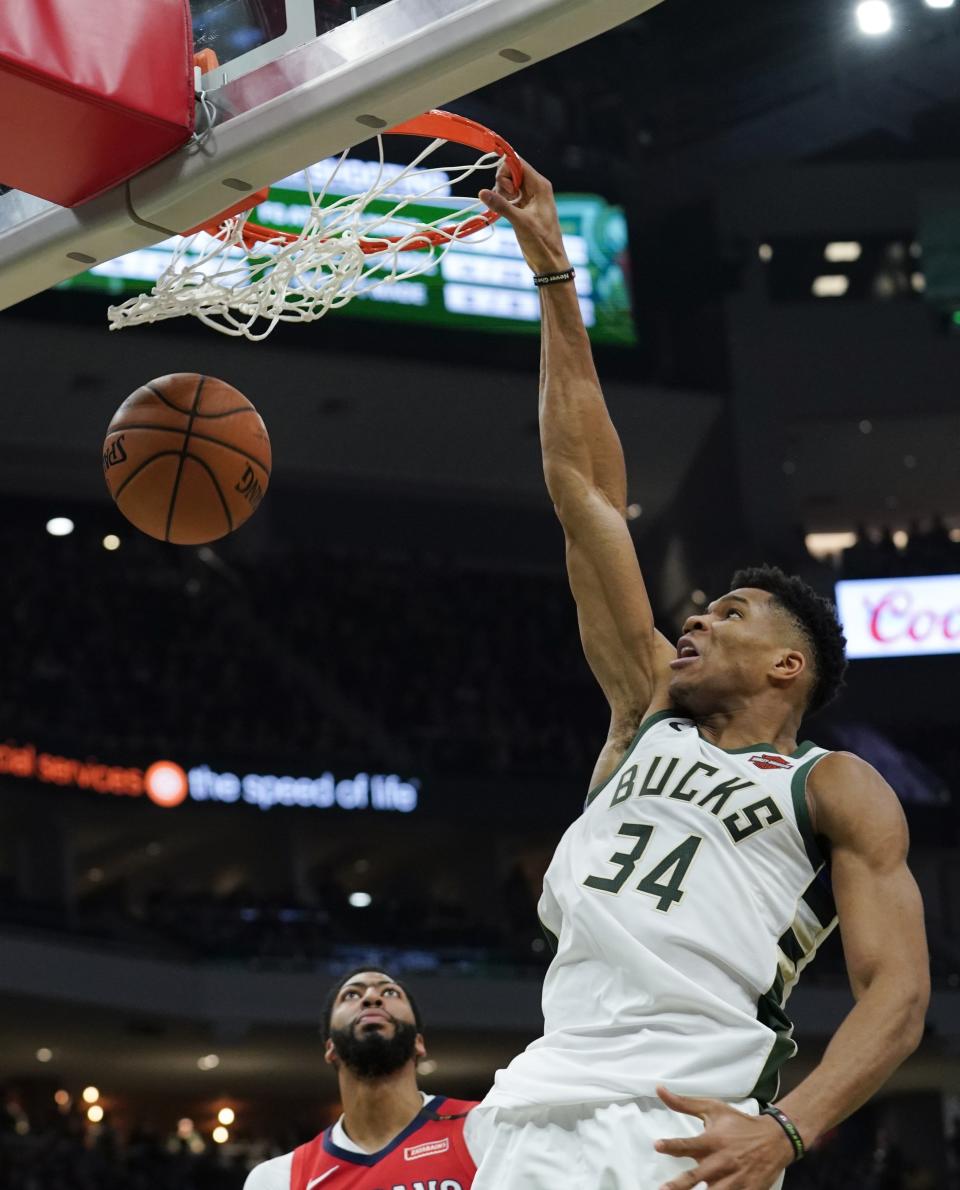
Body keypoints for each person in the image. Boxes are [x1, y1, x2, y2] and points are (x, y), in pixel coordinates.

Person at [461, 163, 931, 1190]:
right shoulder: (645, 714)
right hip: (535, 1108)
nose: (693, 619)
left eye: (727, 614)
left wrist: (789, 1129)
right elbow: (583, 483)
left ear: (785, 662)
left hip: (679, 1126)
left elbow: (896, 994)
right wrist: (551, 270)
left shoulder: (831, 785)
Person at [244, 968, 478, 1190]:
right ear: (331, 1047)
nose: (371, 998)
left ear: (419, 1042)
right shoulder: (277, 1179)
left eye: (389, 992)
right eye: (351, 994)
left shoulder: (481, 1126)